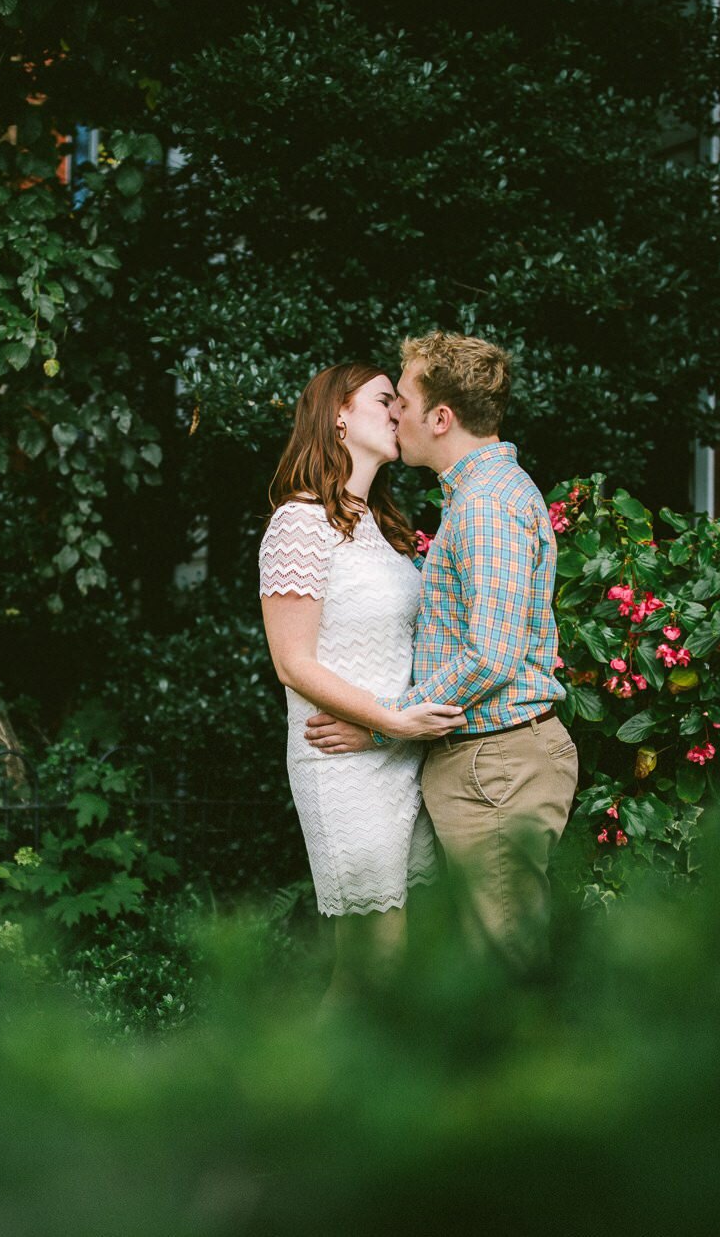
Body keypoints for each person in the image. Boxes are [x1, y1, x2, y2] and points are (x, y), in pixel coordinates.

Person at [305, 332, 576, 971]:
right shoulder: (478, 496)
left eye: (401, 400)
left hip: (497, 762)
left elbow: (491, 655)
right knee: (493, 953)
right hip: (490, 763)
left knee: (505, 960)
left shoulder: (485, 505)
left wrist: (383, 723)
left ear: (441, 418)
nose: (394, 411)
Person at [256, 361, 466, 998]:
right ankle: (311, 1096)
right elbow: (292, 662)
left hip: (395, 751)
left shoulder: (382, 525)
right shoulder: (299, 522)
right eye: (386, 400)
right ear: (337, 415)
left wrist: (394, 730)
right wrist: (391, 719)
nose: (400, 413)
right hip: (341, 760)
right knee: (373, 961)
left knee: (409, 953)